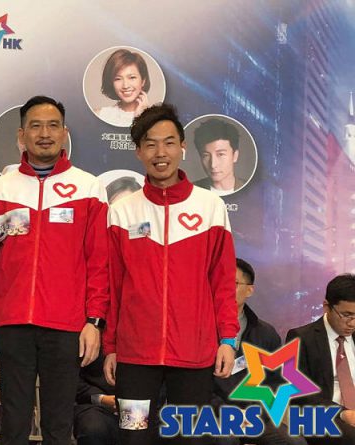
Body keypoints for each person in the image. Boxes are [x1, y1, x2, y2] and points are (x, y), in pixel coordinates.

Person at [102, 103, 238, 445]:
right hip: (135, 357)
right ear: (138, 151)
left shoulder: (210, 207)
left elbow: (222, 282)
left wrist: (227, 339)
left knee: (189, 438)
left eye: (168, 142)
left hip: (194, 355)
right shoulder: (121, 211)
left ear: (182, 147)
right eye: (150, 144)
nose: (160, 153)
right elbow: (114, 286)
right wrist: (111, 346)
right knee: (133, 437)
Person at [0, 95, 109, 445]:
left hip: (67, 326)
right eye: (35, 126)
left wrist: (94, 321)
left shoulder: (89, 187)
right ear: (21, 135)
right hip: (11, 324)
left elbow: (99, 261)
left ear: (65, 133)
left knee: (58, 424)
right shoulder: (1, 188)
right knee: (13, 423)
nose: (44, 133)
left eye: (53, 125)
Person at [212, 259, 305, 445]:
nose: (225, 289)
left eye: (233, 283)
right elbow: (192, 384)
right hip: (212, 414)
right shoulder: (200, 330)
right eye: (220, 282)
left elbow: (276, 382)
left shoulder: (265, 333)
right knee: (225, 440)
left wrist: (256, 412)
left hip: (254, 416)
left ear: (249, 290)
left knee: (294, 441)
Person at [286, 274, 355, 444]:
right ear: (326, 307)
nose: (352, 323)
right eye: (347, 315)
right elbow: (299, 394)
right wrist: (343, 413)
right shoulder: (301, 338)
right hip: (322, 416)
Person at [94, 49, 151, 127]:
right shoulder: (100, 115)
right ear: (111, 82)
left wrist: (142, 117)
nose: (125, 86)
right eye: (118, 79)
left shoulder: (157, 118)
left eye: (132, 77)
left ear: (143, 81)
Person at [73, 349, 119, 445]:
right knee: (93, 427)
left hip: (140, 404)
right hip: (95, 405)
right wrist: (103, 399)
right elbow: (73, 380)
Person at [192, 119, 246, 195]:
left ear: (235, 156)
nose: (213, 165)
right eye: (206, 155)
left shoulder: (251, 189)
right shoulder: (190, 191)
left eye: (220, 154)